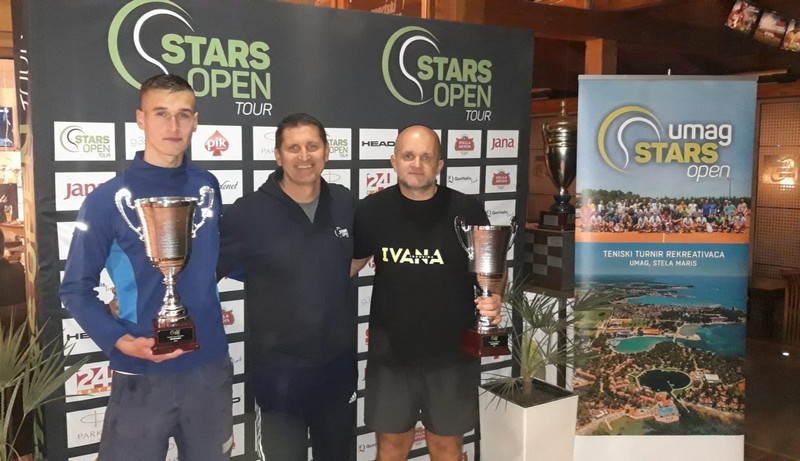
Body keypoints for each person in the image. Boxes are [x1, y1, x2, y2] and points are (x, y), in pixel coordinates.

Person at [59, 74, 232, 461]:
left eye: (183, 114)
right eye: (161, 113)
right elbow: (75, 289)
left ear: (195, 121)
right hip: (141, 373)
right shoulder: (106, 200)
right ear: (140, 119)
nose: (173, 125)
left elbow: (211, 261)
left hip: (208, 367)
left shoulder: (207, 187)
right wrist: (120, 340)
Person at [352, 125, 502, 460]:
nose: (416, 164)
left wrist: (494, 297)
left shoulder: (467, 208)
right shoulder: (371, 211)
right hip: (391, 356)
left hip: (451, 355)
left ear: (440, 165)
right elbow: (352, 262)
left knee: (447, 448)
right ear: (394, 161)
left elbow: (489, 270)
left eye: (426, 157)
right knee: (390, 448)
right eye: (408, 156)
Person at [217, 113, 357, 461]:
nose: (304, 156)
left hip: (337, 366)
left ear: (327, 152)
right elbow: (205, 272)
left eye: (312, 146)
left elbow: (362, 252)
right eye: (293, 148)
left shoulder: (345, 202)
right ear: (278, 156)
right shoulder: (247, 212)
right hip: (278, 373)